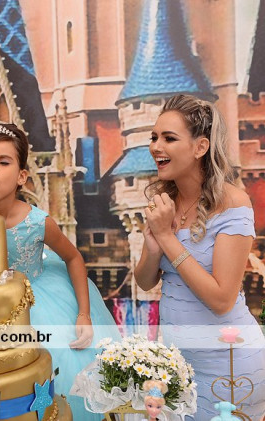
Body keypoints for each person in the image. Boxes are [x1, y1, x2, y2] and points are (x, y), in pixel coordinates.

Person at [0, 122, 121, 420]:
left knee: (56, 368)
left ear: (22, 176)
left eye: (4, 162)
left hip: (37, 302)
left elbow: (73, 258)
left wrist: (83, 314)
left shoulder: (37, 222)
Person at [134, 94, 265, 420]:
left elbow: (221, 299)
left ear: (200, 147)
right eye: (153, 137)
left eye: (169, 138)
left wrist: (167, 238)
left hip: (229, 367)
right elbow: (145, 281)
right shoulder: (164, 200)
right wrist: (154, 247)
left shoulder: (233, 204)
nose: (155, 147)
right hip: (179, 366)